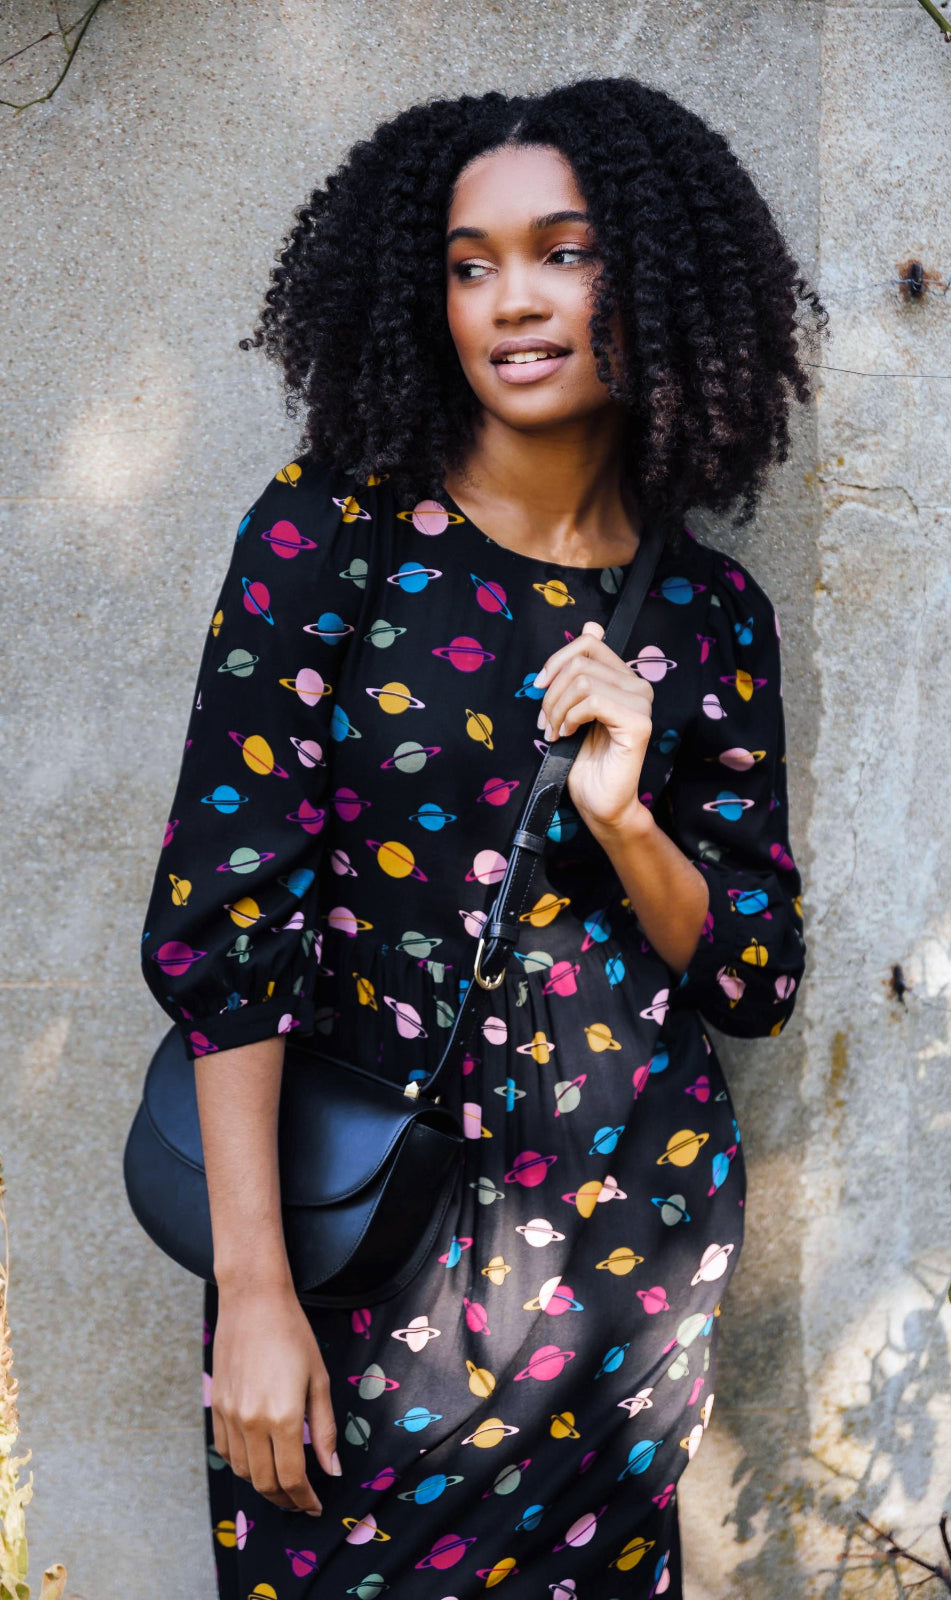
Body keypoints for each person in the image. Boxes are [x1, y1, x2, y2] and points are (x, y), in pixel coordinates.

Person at [139, 74, 822, 1600]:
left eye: (565, 253)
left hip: (628, 1254)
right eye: (471, 265)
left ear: (652, 280)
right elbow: (227, 923)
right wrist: (253, 1288)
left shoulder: (711, 614)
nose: (514, 300)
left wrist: (625, 821)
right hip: (365, 1249)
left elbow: (754, 976)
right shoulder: (333, 535)